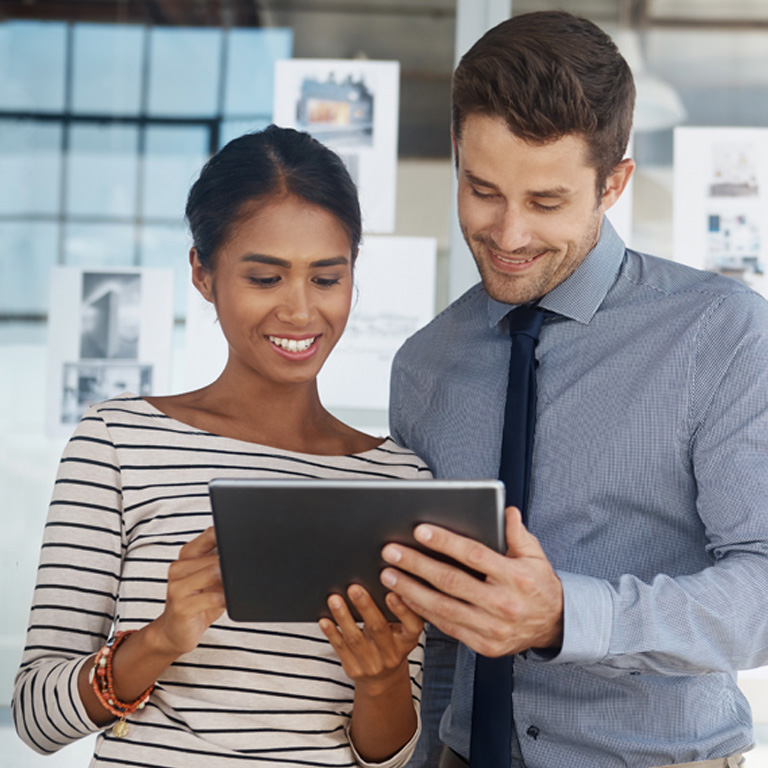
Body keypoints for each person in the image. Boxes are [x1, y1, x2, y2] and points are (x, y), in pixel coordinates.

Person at [384, 11, 768, 768]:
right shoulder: (423, 365)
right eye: (482, 189)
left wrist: (569, 616)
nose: (509, 233)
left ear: (613, 183)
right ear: (456, 155)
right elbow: (436, 637)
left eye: (548, 202)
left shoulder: (721, 334)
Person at [13, 124, 431, 768]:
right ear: (203, 274)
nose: (300, 312)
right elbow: (36, 718)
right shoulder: (118, 441)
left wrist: (380, 680)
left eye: (327, 279)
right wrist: (160, 638)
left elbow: (388, 758)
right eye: (265, 278)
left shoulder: (401, 482)